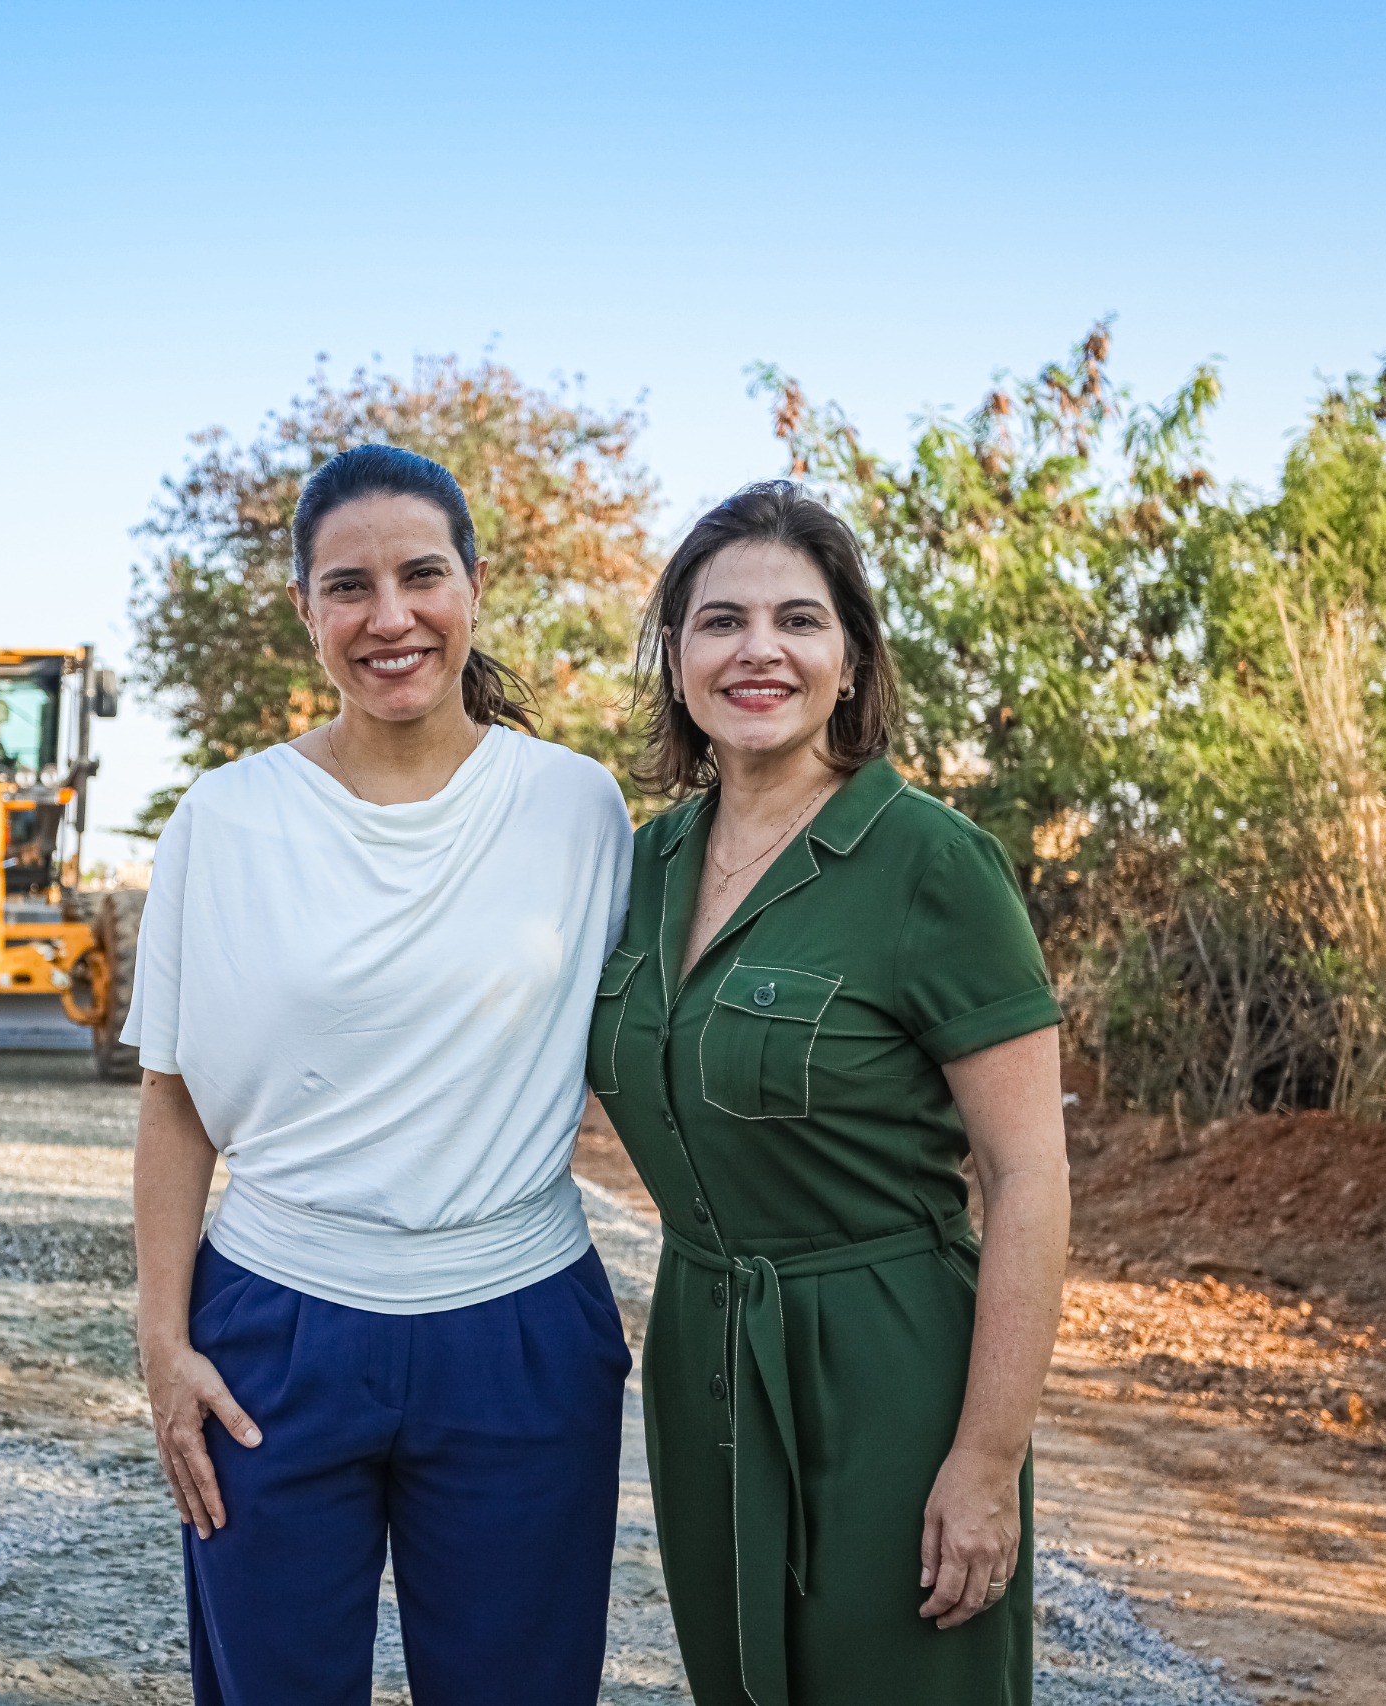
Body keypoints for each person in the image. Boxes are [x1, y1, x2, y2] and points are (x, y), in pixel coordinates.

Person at [125, 444, 636, 1705]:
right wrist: (160, 1339)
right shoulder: (224, 820)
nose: (389, 615)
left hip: (517, 1327)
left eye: (421, 575)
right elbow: (176, 1099)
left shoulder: (579, 808)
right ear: (304, 608)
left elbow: (650, 1060)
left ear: (473, 585)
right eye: (348, 585)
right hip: (274, 1337)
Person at [589, 482, 1070, 1705]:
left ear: (848, 660)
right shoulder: (637, 864)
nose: (759, 649)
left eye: (798, 620)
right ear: (679, 660)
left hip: (887, 1356)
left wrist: (985, 1453)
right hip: (703, 1345)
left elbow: (1026, 1175)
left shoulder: (932, 862)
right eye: (719, 621)